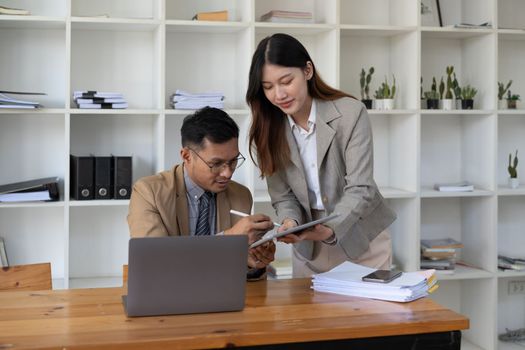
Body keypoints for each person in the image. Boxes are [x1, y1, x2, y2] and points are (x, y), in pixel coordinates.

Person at [246, 33, 397, 277]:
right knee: (309, 315)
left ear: (307, 71)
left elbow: (361, 188)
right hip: (309, 247)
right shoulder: (268, 130)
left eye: (286, 81)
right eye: (268, 87)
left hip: (361, 238)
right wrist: (290, 223)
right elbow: (283, 197)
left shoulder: (350, 113)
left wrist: (329, 229)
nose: (279, 95)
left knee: (367, 315)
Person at [128, 107, 275, 280]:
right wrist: (230, 239)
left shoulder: (241, 195)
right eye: (216, 163)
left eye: (233, 161)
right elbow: (156, 261)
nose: (227, 173)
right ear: (187, 156)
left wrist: (254, 264)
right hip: (166, 297)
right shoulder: (148, 192)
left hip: (222, 296)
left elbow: (238, 273)